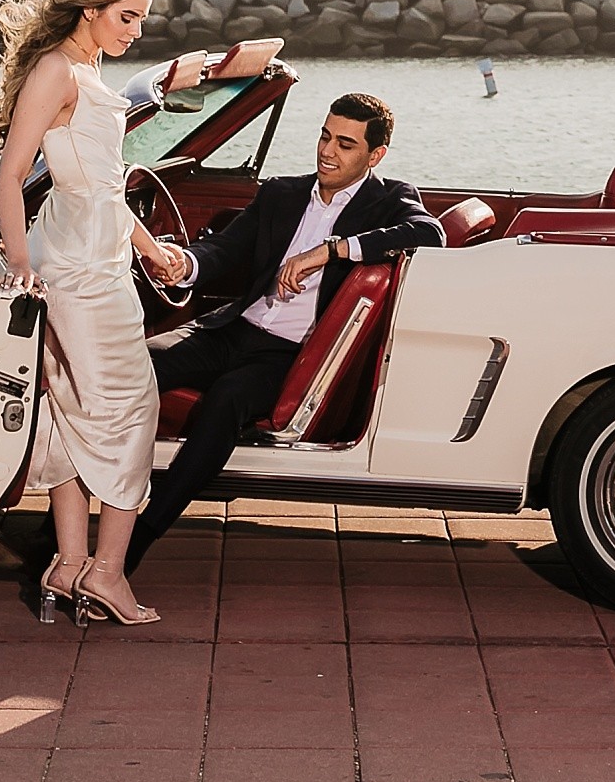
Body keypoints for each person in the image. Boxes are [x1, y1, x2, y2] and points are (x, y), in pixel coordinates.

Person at [123, 92, 441, 572]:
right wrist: (183, 264)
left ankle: (135, 541)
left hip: (288, 356)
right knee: (130, 368)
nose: (327, 152)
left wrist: (329, 251)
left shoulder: (390, 199)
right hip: (232, 329)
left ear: (375, 156)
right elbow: (224, 251)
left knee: (227, 399)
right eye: (325, 135)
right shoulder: (282, 193)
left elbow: (429, 233)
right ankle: (58, 531)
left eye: (346, 145)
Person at [0, 0, 192, 627]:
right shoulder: (55, 70)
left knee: (74, 412)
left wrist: (149, 245)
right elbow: (11, 176)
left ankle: (69, 564)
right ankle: (108, 573)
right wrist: (19, 261)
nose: (137, 30)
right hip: (75, 273)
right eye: (128, 16)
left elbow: (101, 186)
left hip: (98, 262)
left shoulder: (87, 66)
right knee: (133, 413)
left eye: (141, 18)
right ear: (91, 7)